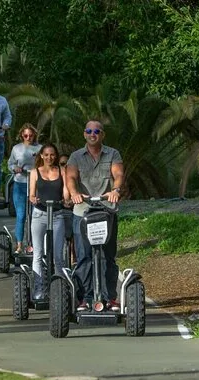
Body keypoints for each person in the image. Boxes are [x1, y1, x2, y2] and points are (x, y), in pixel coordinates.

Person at [66, 120, 125, 312]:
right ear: (84, 134)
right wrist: (74, 193)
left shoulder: (112, 154)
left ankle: (109, 298)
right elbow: (71, 177)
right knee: (84, 256)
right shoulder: (75, 156)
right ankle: (85, 298)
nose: (93, 134)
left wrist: (115, 190)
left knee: (107, 256)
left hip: (107, 210)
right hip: (82, 211)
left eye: (97, 131)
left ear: (102, 134)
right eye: (89, 131)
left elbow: (118, 174)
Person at [28, 143, 70, 300]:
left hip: (57, 214)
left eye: (52, 155)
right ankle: (39, 288)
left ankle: (60, 289)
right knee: (38, 254)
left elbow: (65, 191)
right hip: (39, 214)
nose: (49, 157)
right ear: (41, 156)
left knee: (58, 256)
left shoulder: (62, 171)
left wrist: (66, 200)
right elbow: (31, 194)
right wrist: (33, 199)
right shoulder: (35, 172)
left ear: (56, 156)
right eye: (46, 155)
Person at [8, 123, 41, 253]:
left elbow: (45, 164)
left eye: (30, 135)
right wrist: (15, 168)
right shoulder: (16, 148)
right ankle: (19, 245)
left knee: (34, 216)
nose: (28, 138)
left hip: (35, 185)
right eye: (26, 135)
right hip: (20, 184)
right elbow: (10, 163)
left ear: (34, 135)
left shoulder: (40, 148)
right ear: (22, 135)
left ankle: (33, 245)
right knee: (21, 216)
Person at [59, 154, 76, 266]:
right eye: (62, 164)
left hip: (74, 209)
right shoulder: (55, 178)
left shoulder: (75, 177)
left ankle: (74, 256)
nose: (65, 166)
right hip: (59, 210)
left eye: (67, 164)